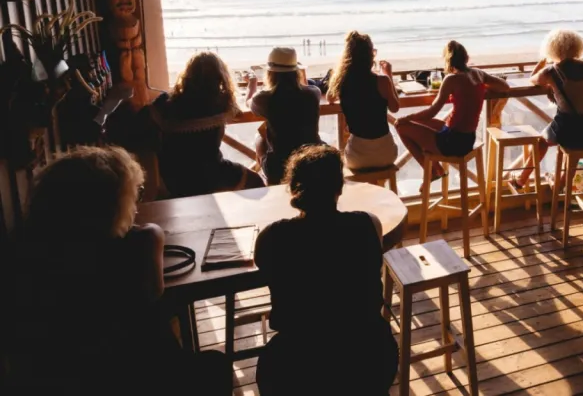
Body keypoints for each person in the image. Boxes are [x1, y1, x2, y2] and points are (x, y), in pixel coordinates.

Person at [5, 147, 231, 396]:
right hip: (137, 378)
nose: (136, 205)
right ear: (111, 205)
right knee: (214, 366)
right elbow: (152, 259)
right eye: (134, 195)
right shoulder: (135, 247)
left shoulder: (26, 258)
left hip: (56, 382)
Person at [254, 145, 397, 395]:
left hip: (298, 365)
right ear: (339, 188)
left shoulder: (272, 236)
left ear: (293, 188)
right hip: (369, 358)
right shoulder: (368, 224)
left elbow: (263, 265)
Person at [146, 51, 265, 197]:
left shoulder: (167, 103)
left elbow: (146, 117)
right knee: (256, 182)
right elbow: (239, 112)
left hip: (173, 177)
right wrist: (252, 85)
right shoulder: (220, 103)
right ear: (219, 77)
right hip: (211, 175)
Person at [396, 41, 509, 180]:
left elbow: (432, 112)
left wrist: (407, 117)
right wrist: (480, 89)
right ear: (466, 57)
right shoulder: (478, 74)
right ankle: (437, 168)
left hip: (451, 142)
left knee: (401, 126)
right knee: (421, 124)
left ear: (448, 61)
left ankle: (431, 171)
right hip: (468, 139)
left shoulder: (451, 79)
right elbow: (504, 86)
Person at [513, 29, 583, 188]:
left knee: (542, 142)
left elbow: (533, 80)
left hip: (567, 126)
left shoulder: (551, 71)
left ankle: (521, 179)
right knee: (574, 147)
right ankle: (561, 182)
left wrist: (540, 65)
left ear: (552, 49)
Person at [247, 47, 323, 185]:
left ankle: (270, 182)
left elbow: (249, 103)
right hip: (314, 161)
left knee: (259, 138)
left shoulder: (264, 98)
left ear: (270, 73)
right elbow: (305, 89)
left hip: (280, 168)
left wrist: (252, 84)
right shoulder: (313, 93)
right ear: (296, 72)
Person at [327, 31, 400, 171]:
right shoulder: (382, 81)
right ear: (370, 55)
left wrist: (339, 74)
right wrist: (389, 75)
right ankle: (377, 184)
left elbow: (330, 98)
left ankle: (367, 184)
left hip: (357, 158)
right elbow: (395, 108)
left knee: (337, 146)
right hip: (386, 155)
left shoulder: (342, 82)